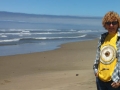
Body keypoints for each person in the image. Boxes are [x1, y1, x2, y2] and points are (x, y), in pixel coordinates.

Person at [93, 11, 120, 90]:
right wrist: (95, 70)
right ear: (105, 25)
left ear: (118, 24)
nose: (111, 25)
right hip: (100, 80)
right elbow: (98, 56)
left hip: (114, 81)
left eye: (114, 22)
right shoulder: (102, 37)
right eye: (108, 23)